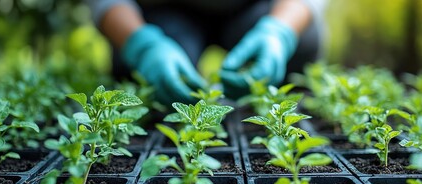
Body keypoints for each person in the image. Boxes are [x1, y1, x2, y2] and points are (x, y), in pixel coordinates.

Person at [85, 0, 325, 105]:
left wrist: (278, 31)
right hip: (167, 10)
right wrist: (142, 44)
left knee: (301, 41)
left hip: (253, 8)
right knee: (156, 82)